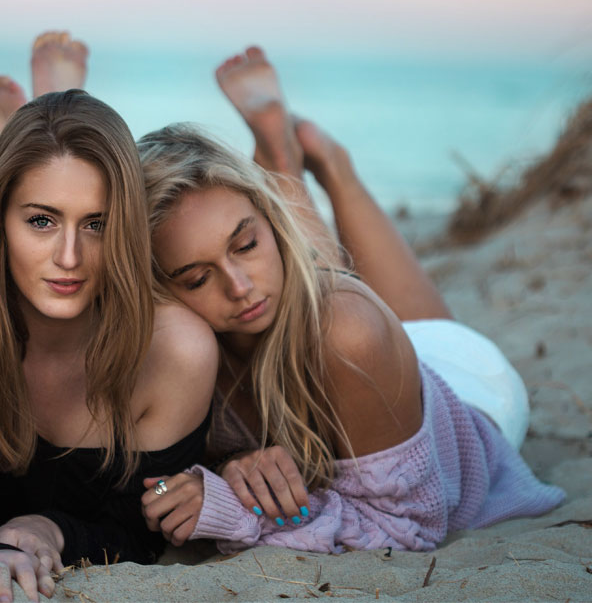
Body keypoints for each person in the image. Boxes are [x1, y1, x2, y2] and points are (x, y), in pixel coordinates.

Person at [136, 46, 565, 552]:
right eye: (195, 278)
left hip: (467, 388)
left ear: (269, 221)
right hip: (371, 361)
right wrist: (229, 466)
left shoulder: (350, 333)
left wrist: (235, 504)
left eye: (246, 243)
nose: (239, 285)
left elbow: (408, 527)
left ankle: (333, 167)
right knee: (314, 290)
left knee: (332, 305)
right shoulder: (177, 349)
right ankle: (281, 156)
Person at [0, 87, 218, 602]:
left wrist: (50, 530)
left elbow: (140, 530)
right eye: (41, 220)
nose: (69, 256)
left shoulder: (176, 348)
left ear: (127, 228)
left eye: (96, 224)